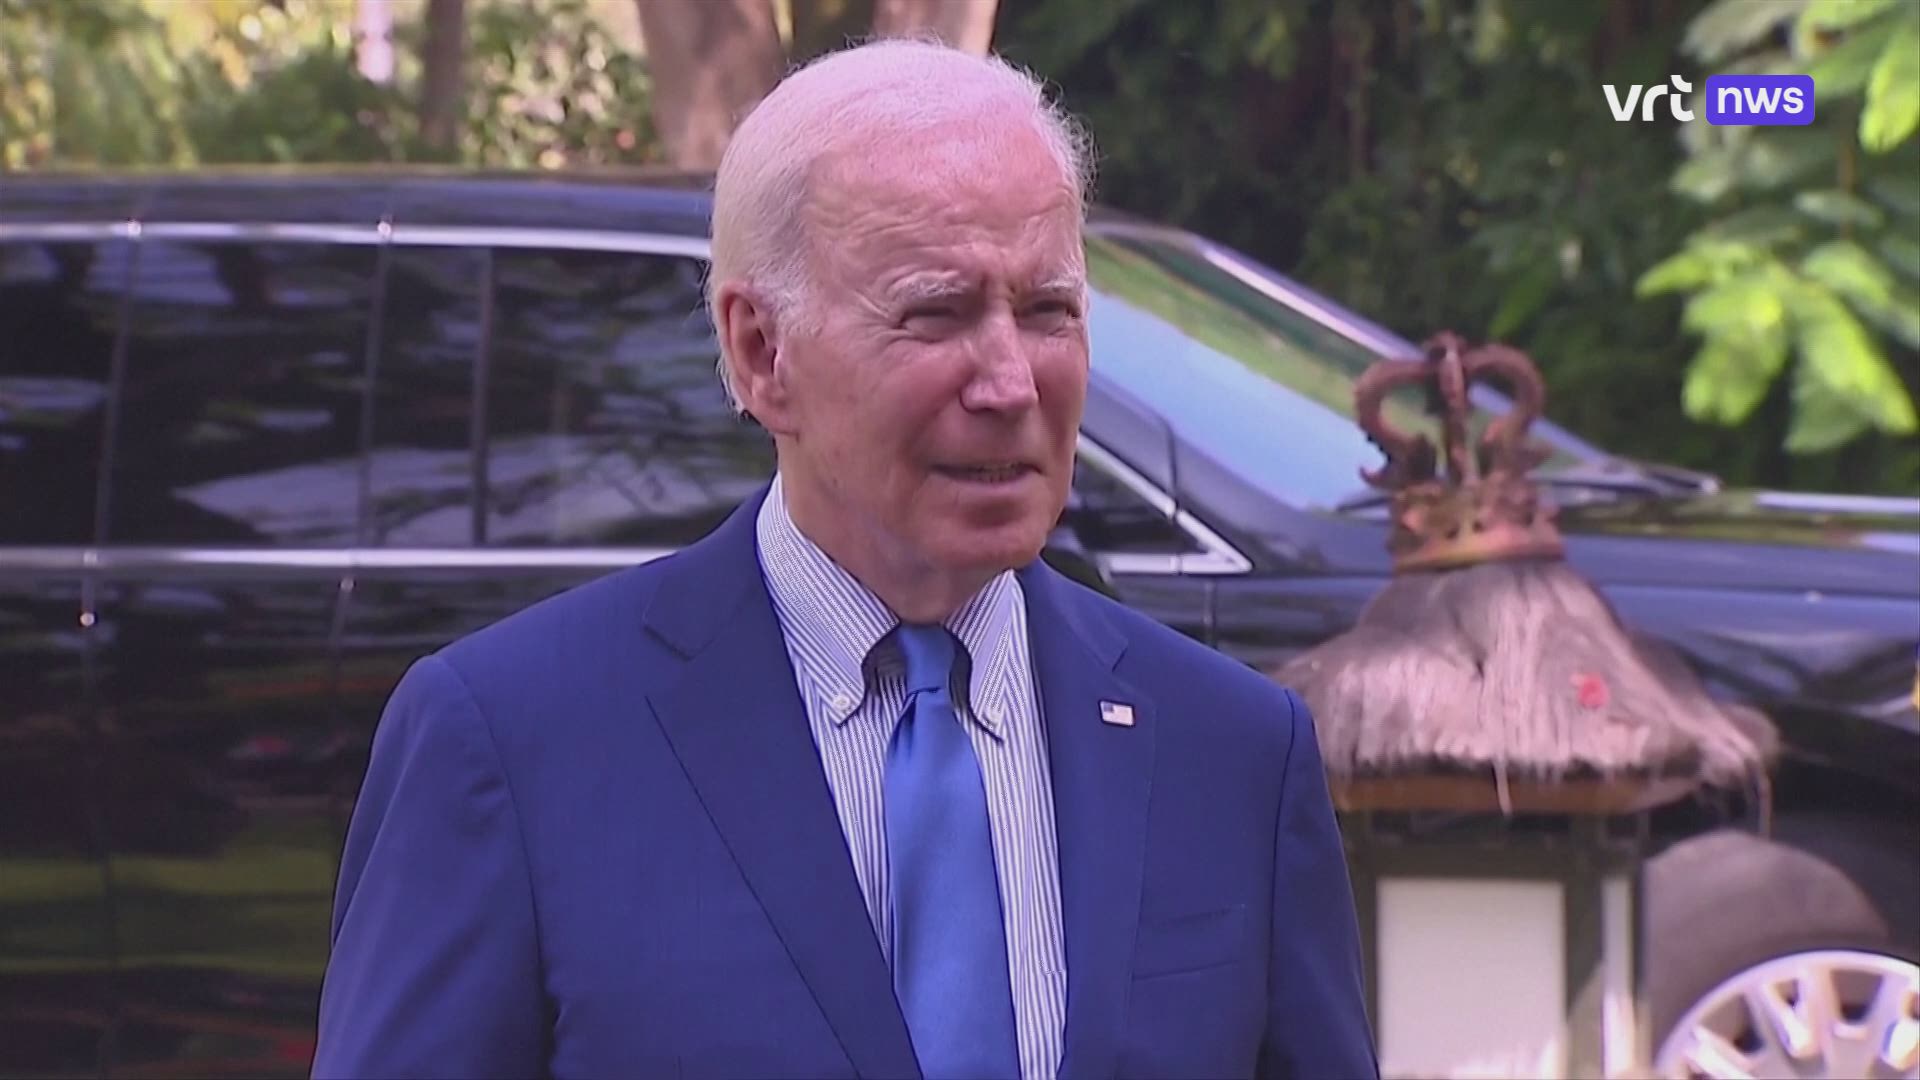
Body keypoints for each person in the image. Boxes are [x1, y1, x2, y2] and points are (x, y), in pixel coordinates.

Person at [311, 37, 1377, 1080]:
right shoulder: (512, 742)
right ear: (761, 352)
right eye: (937, 314)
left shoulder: (1232, 752)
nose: (1011, 383)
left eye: (1048, 311)